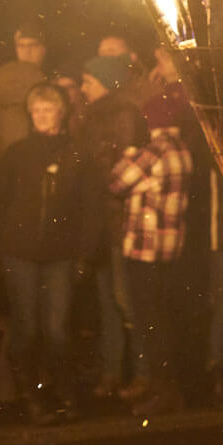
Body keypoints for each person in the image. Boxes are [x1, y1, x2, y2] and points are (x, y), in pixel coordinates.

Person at [0, 82, 93, 423]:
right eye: (36, 110)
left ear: (60, 113)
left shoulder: (76, 153)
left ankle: (64, 393)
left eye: (47, 110)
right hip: (19, 254)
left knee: (57, 329)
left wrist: (84, 255)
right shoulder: (17, 153)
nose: (41, 116)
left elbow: (88, 209)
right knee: (27, 327)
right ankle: (32, 396)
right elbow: (0, 203)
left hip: (60, 255)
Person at [107, 88, 194, 416]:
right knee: (165, 320)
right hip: (170, 251)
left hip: (144, 251)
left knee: (151, 324)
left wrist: (128, 153)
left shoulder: (154, 151)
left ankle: (165, 393)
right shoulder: (182, 149)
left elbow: (116, 182)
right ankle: (165, 388)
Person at [77, 54, 148, 396]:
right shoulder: (94, 115)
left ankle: (143, 373)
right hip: (101, 223)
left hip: (118, 222)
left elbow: (120, 166)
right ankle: (113, 371)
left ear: (104, 82)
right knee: (108, 299)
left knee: (125, 299)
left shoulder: (120, 114)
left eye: (88, 81)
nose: (82, 87)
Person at [0, 19, 49, 163]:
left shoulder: (51, 76)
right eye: (21, 46)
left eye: (32, 45)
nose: (27, 51)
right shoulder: (2, 76)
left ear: (43, 49)